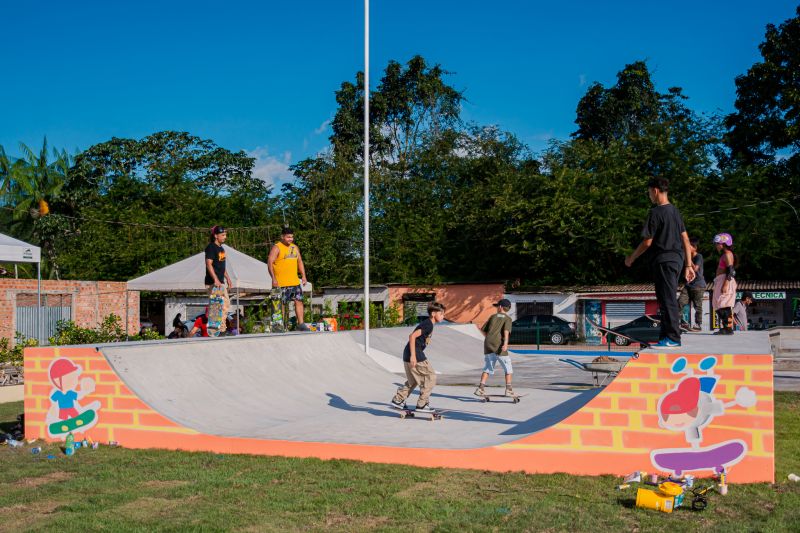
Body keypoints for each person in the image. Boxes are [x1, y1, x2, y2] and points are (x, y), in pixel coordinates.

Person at [625, 177, 695, 348]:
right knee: (665, 298)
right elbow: (685, 240)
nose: (649, 196)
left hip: (664, 260)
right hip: (677, 260)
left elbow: (647, 242)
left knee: (668, 298)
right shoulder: (675, 211)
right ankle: (666, 335)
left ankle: (673, 338)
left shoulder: (656, 213)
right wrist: (688, 264)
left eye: (649, 192)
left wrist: (632, 257)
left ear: (655, 191)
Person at [391, 302, 447, 413]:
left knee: (413, 380)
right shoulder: (428, 324)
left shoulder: (428, 324)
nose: (443, 316)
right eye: (441, 314)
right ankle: (422, 403)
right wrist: (413, 356)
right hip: (415, 353)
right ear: (433, 313)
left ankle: (398, 399)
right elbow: (412, 336)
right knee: (431, 377)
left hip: (408, 353)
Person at [267, 227, 309, 331]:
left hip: (294, 281)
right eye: (288, 237)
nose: (290, 239)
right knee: (280, 304)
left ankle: (301, 324)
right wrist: (273, 278)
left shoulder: (295, 247)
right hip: (280, 282)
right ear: (282, 237)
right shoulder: (277, 247)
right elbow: (270, 263)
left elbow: (299, 261)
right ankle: (278, 325)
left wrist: (303, 276)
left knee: (299, 301)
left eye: (292, 237)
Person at [475, 299, 514, 397]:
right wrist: (505, 343)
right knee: (508, 368)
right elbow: (506, 331)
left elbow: (483, 330)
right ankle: (508, 389)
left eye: (497, 307)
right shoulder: (507, 318)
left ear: (500, 307)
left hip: (488, 344)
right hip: (499, 345)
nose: (497, 308)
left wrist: (489, 338)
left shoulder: (492, 317)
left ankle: (480, 388)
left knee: (488, 367)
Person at [205, 225, 233, 335]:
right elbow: (209, 264)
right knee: (219, 305)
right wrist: (215, 279)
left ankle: (220, 328)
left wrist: (228, 278)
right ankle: (219, 329)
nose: (225, 237)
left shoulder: (221, 249)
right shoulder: (211, 247)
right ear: (216, 236)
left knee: (224, 304)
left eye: (225, 235)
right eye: (223, 235)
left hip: (220, 282)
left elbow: (222, 266)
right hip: (213, 282)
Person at [678, 237, 706, 331]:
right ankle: (681, 322)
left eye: (688, 247)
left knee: (698, 306)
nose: (686, 248)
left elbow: (695, 269)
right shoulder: (687, 257)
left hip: (698, 285)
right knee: (680, 302)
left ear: (694, 248)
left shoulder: (699, 256)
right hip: (688, 285)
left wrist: (689, 261)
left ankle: (698, 325)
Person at [712, 233, 737, 335]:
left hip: (725, 280)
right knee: (718, 304)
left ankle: (728, 328)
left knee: (724, 304)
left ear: (723, 243)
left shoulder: (727, 254)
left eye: (717, 243)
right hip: (721, 280)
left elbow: (731, 270)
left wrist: (726, 283)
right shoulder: (724, 254)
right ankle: (725, 327)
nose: (716, 246)